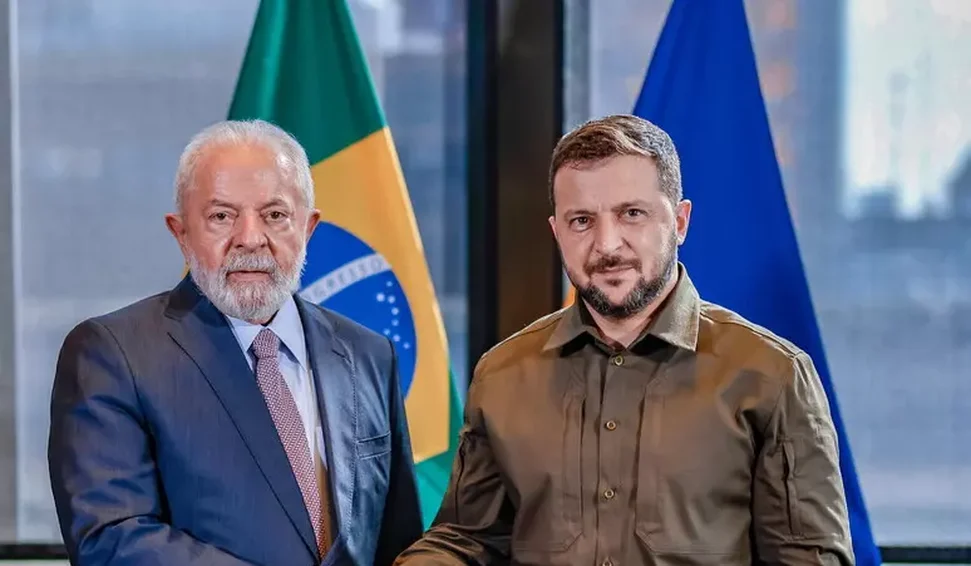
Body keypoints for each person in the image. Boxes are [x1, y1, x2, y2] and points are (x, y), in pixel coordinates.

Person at [395, 114, 854, 565]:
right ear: (556, 232)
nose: (607, 244)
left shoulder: (773, 375)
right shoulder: (501, 374)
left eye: (631, 214)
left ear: (679, 222)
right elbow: (468, 539)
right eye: (581, 221)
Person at [48, 119, 423, 566]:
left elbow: (399, 540)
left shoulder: (368, 355)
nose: (250, 239)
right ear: (181, 233)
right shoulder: (113, 354)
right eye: (221, 216)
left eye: (275, 215)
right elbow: (111, 538)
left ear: (308, 228)